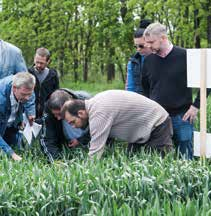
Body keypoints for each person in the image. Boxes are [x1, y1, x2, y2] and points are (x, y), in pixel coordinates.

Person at [142, 22, 200, 159]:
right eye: (147, 42)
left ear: (163, 38)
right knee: (160, 157)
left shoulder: (185, 56)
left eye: (151, 42)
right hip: (158, 118)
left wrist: (196, 106)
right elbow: (145, 88)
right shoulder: (148, 60)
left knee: (186, 155)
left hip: (182, 115)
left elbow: (206, 83)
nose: (148, 46)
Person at [61, 90, 173, 159]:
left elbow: (95, 153)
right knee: (131, 162)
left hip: (157, 123)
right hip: (141, 129)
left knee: (157, 164)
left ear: (80, 113)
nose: (73, 126)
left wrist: (85, 177)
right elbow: (94, 132)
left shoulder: (98, 113)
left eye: (73, 122)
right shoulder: (95, 104)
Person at [40, 89, 91, 163]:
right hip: (67, 144)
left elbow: (99, 127)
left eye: (61, 114)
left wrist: (82, 140)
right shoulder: (48, 110)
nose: (58, 118)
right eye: (55, 115)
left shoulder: (86, 103)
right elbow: (47, 139)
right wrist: (56, 161)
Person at [0, 72, 35, 161]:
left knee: (18, 146)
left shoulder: (26, 88)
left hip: (11, 123)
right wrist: (11, 153)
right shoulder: (1, 99)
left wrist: (29, 113)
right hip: (3, 119)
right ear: (14, 88)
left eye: (29, 94)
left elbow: (30, 97)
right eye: (24, 94)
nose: (27, 98)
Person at [28, 47, 59, 120]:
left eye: (41, 63)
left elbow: (56, 94)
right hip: (30, 113)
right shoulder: (28, 73)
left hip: (47, 113)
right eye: (37, 62)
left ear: (48, 61)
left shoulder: (53, 75)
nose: (38, 65)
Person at [126, 19, 151, 94]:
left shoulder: (160, 58)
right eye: (135, 46)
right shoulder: (133, 62)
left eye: (141, 46)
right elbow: (130, 88)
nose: (138, 49)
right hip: (138, 101)